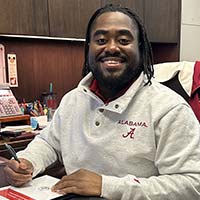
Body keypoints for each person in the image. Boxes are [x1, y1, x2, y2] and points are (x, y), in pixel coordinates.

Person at [4, 4, 200, 200]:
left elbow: (192, 185)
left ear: (140, 48)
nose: (112, 47)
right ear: (89, 47)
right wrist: (28, 161)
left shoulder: (169, 109)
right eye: (101, 40)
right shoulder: (73, 100)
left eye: (123, 40)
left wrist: (106, 186)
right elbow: (49, 142)